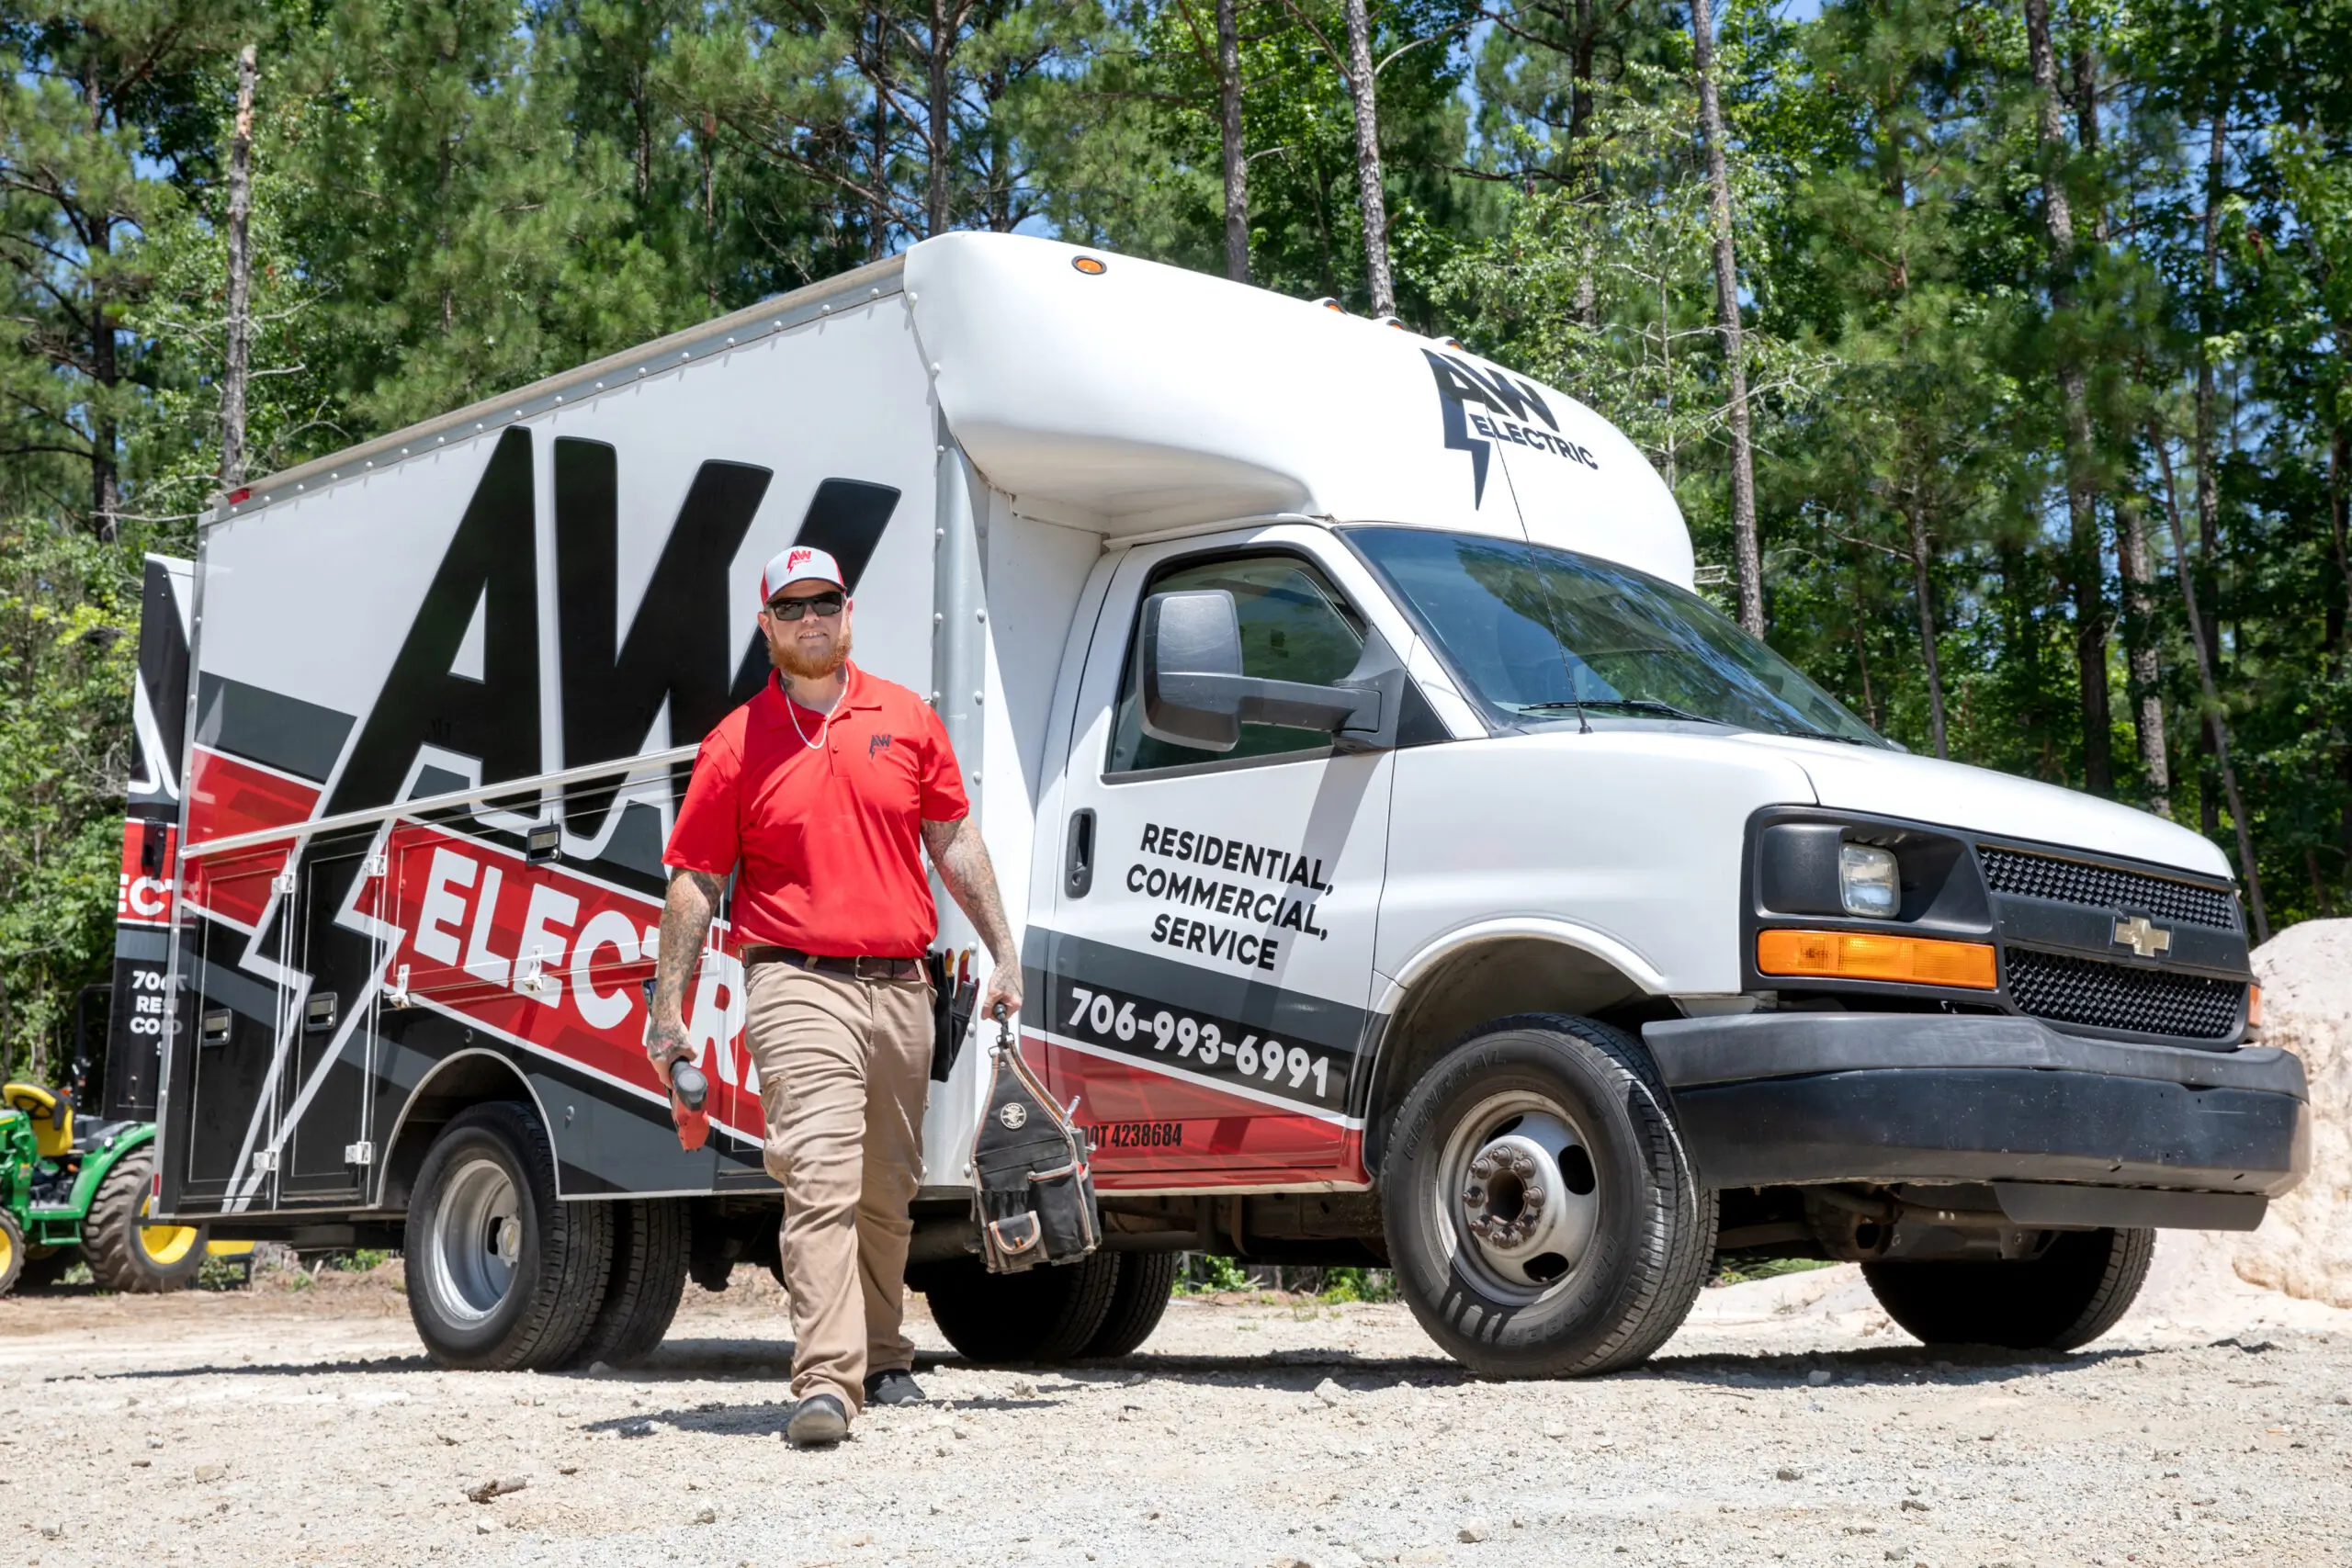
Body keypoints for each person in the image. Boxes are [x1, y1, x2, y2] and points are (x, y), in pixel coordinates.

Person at [646, 543, 1020, 1449]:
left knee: (886, 1190)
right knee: (818, 1172)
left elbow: (954, 842)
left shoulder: (907, 718)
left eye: (826, 603)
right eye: (792, 607)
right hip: (793, 981)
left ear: (848, 613)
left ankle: (885, 1355)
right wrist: (669, 1008)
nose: (811, 619)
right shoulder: (734, 744)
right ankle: (824, 1383)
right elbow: (695, 882)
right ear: (767, 626)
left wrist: (1004, 953)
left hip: (901, 986)